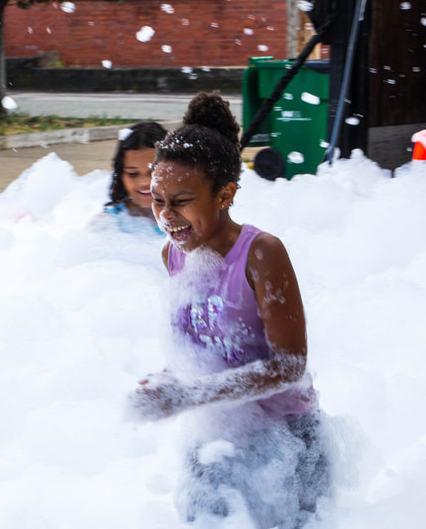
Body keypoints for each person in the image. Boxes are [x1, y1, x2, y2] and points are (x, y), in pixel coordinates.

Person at [127, 92, 329, 528]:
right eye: (158, 200)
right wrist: (166, 379)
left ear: (225, 194)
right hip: (221, 430)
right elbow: (197, 346)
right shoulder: (173, 255)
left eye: (181, 201)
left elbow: (290, 365)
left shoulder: (261, 254)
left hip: (287, 440)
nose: (166, 216)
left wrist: (189, 395)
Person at [92, 121, 167, 234]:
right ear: (120, 175)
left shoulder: (193, 220)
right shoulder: (106, 225)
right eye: (133, 174)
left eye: (154, 172)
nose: (144, 182)